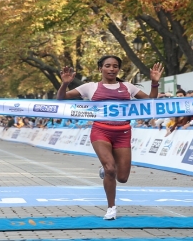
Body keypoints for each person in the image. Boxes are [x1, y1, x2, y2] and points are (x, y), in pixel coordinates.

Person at [57, 56, 162, 220]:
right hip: (101, 131)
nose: (111, 69)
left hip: (123, 132)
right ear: (100, 68)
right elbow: (61, 99)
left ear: (119, 69)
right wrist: (64, 84)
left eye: (115, 66)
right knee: (111, 169)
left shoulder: (127, 87)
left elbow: (151, 102)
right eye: (107, 66)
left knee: (122, 177)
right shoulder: (90, 87)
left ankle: (105, 170)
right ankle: (111, 208)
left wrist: (154, 82)